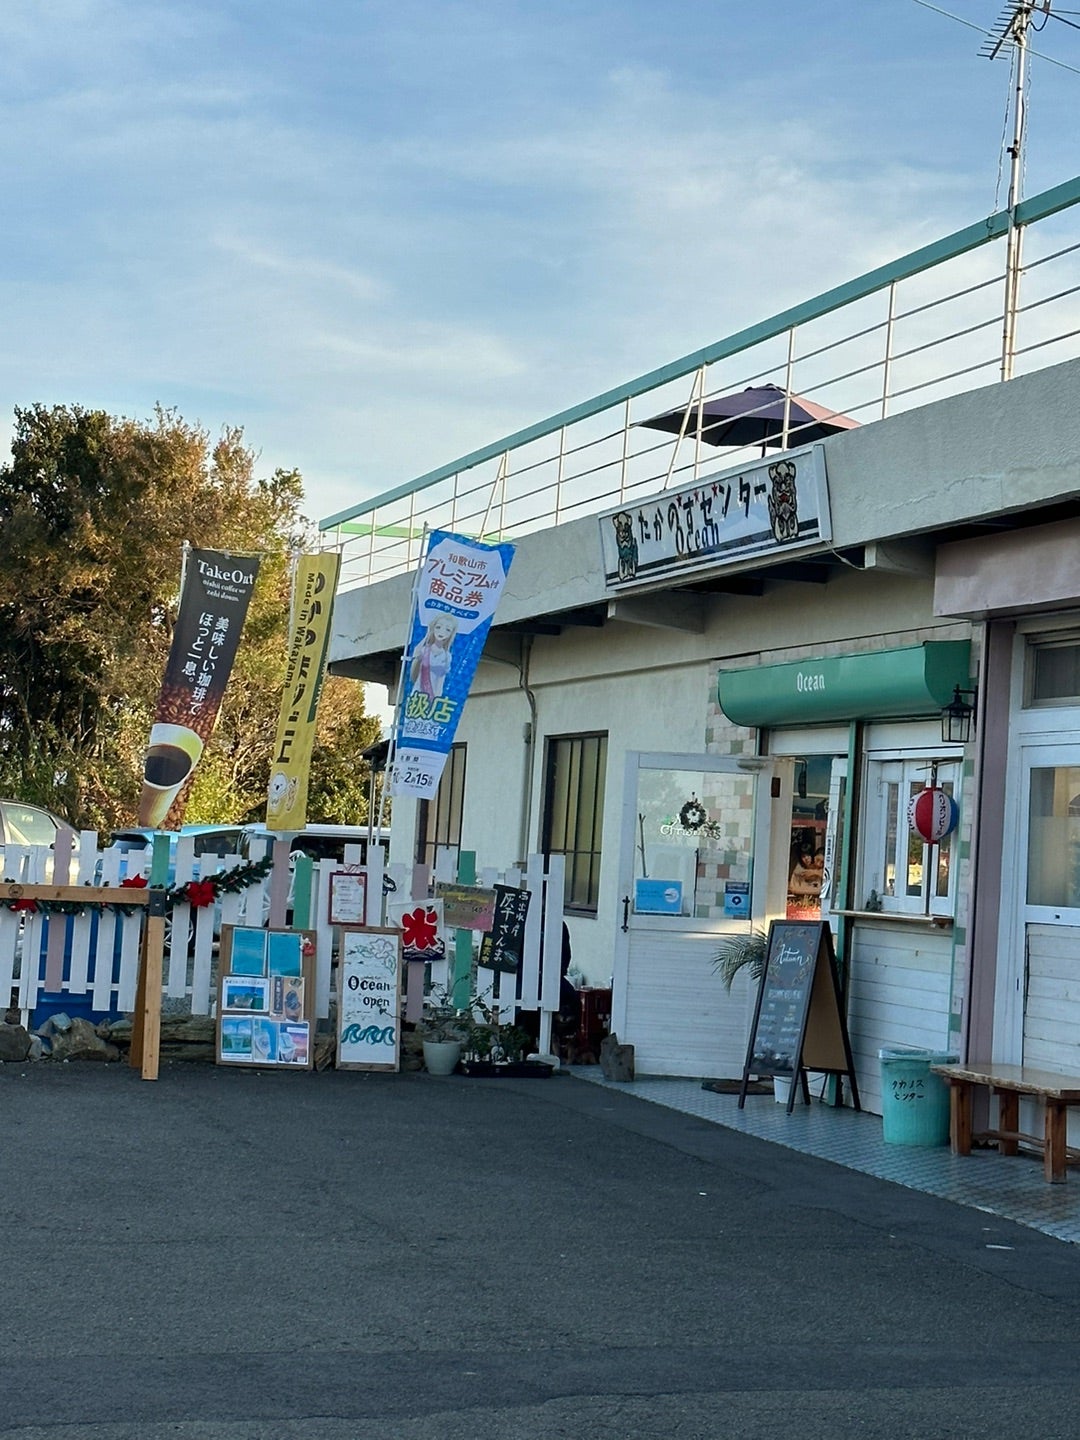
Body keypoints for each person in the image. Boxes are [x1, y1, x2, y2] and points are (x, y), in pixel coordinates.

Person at [410, 613, 457, 699]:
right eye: (438, 627)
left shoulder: (447, 656)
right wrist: (427, 635)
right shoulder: (424, 650)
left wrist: (437, 699)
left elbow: (440, 682)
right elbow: (415, 656)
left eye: (448, 630)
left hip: (431, 697)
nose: (442, 632)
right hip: (417, 694)